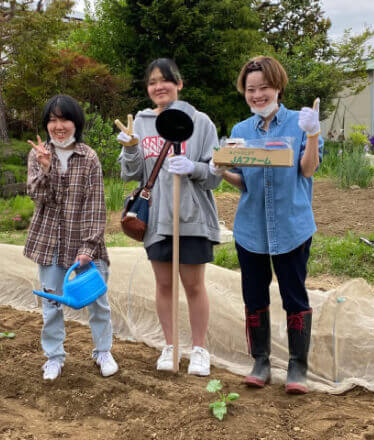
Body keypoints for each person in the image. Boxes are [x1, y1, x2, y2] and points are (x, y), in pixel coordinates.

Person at [210, 56, 323, 394]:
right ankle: (260, 360)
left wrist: (314, 134)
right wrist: (221, 170)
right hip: (251, 229)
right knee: (254, 296)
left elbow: (307, 169)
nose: (258, 95)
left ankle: (297, 366)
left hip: (291, 226)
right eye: (251, 89)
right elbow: (243, 181)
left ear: (278, 87)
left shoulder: (300, 123)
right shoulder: (242, 132)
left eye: (264, 88)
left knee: (294, 296)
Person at [117, 58, 222, 376]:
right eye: (152, 82)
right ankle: (170, 345)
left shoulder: (200, 122)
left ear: (179, 83)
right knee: (163, 285)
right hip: (157, 218)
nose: (158, 86)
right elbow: (130, 173)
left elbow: (215, 176)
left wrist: (195, 168)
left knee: (193, 285)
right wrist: (131, 148)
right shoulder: (141, 123)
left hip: (191, 216)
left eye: (165, 80)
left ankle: (200, 349)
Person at [25, 94, 118, 381]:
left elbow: (95, 203)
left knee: (97, 300)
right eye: (52, 120)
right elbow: (38, 196)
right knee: (52, 303)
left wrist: (89, 247)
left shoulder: (88, 156)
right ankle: (54, 356)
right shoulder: (37, 153)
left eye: (64, 119)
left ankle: (103, 351)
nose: (58, 126)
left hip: (84, 241)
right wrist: (46, 167)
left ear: (75, 122)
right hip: (50, 240)